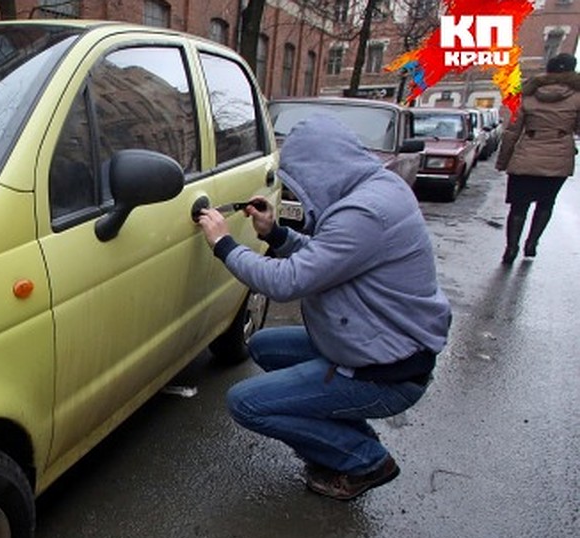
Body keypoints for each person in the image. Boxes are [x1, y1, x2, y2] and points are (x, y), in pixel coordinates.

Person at [195, 114, 452, 501]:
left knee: (246, 403)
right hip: (372, 342)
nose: (302, 189)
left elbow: (286, 282)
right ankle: (347, 438)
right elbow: (327, 259)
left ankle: (365, 459)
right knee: (265, 346)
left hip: (387, 370)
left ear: (323, 169)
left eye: (303, 180)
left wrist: (224, 245)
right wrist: (276, 233)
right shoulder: (375, 189)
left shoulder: (364, 213)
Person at [495, 52, 580, 264]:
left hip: (526, 155)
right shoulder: (577, 97)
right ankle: (532, 243)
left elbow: (512, 131)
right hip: (558, 157)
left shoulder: (529, 95)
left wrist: (503, 161)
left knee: (518, 206)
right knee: (545, 203)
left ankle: (511, 247)